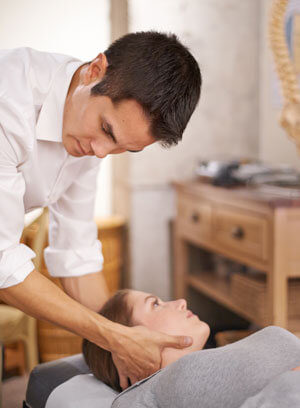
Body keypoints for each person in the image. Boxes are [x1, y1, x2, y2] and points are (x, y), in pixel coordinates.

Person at [0, 31, 201, 388]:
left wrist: (127, 346)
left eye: (124, 147)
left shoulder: (93, 138)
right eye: (105, 129)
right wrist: (114, 337)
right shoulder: (9, 100)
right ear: (95, 70)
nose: (101, 152)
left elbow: (76, 254)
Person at [83, 289, 300, 408]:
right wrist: (285, 393)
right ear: (126, 344)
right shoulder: (136, 400)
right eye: (155, 304)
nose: (181, 301)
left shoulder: (225, 353)